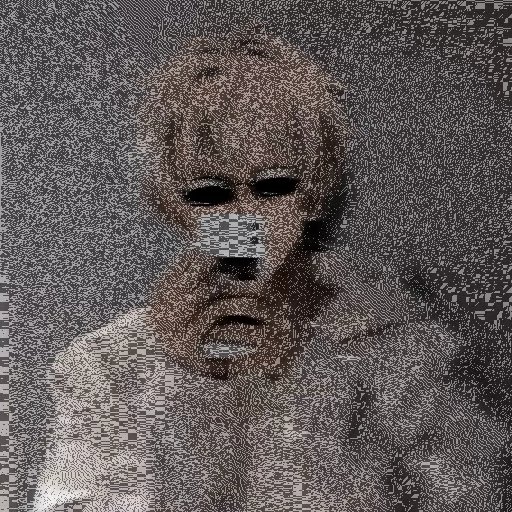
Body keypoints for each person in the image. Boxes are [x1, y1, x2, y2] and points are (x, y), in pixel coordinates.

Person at [33, 28, 506, 512]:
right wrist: (180, 392)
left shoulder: (392, 348)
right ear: (173, 206)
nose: (244, 218)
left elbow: (468, 492)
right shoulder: (109, 362)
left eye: (273, 187)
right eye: (211, 194)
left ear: (314, 195)